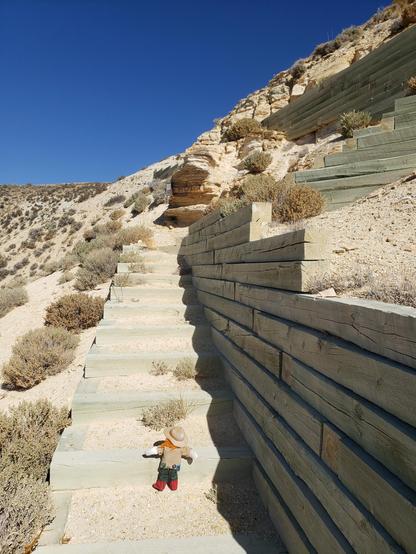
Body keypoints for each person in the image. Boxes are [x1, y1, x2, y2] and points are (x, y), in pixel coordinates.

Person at [144, 425, 198, 491]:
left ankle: (160, 486)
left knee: (162, 475)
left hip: (165, 464)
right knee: (174, 476)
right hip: (175, 466)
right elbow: (188, 451)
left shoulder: (165, 447)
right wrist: (193, 455)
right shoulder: (181, 449)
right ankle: (173, 487)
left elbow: (157, 450)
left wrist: (149, 452)